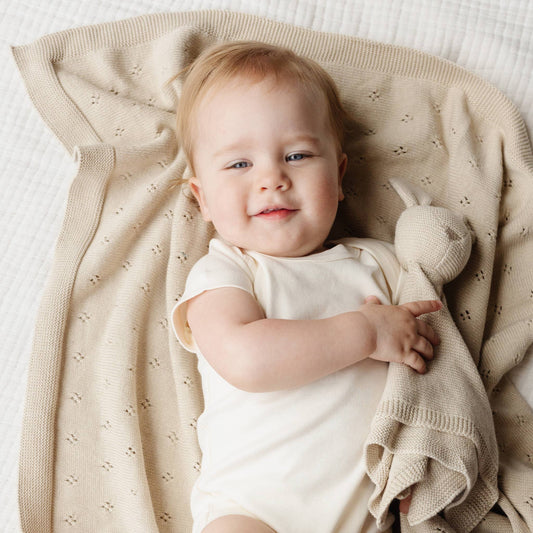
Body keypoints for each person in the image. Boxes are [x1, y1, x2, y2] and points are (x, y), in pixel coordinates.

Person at [171, 41, 441, 533]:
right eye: (238, 165)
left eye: (296, 155)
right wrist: (366, 333)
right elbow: (247, 359)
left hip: (366, 516)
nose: (272, 178)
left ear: (338, 175)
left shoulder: (378, 265)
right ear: (202, 197)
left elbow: (431, 370)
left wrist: (422, 457)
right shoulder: (227, 272)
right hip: (252, 511)